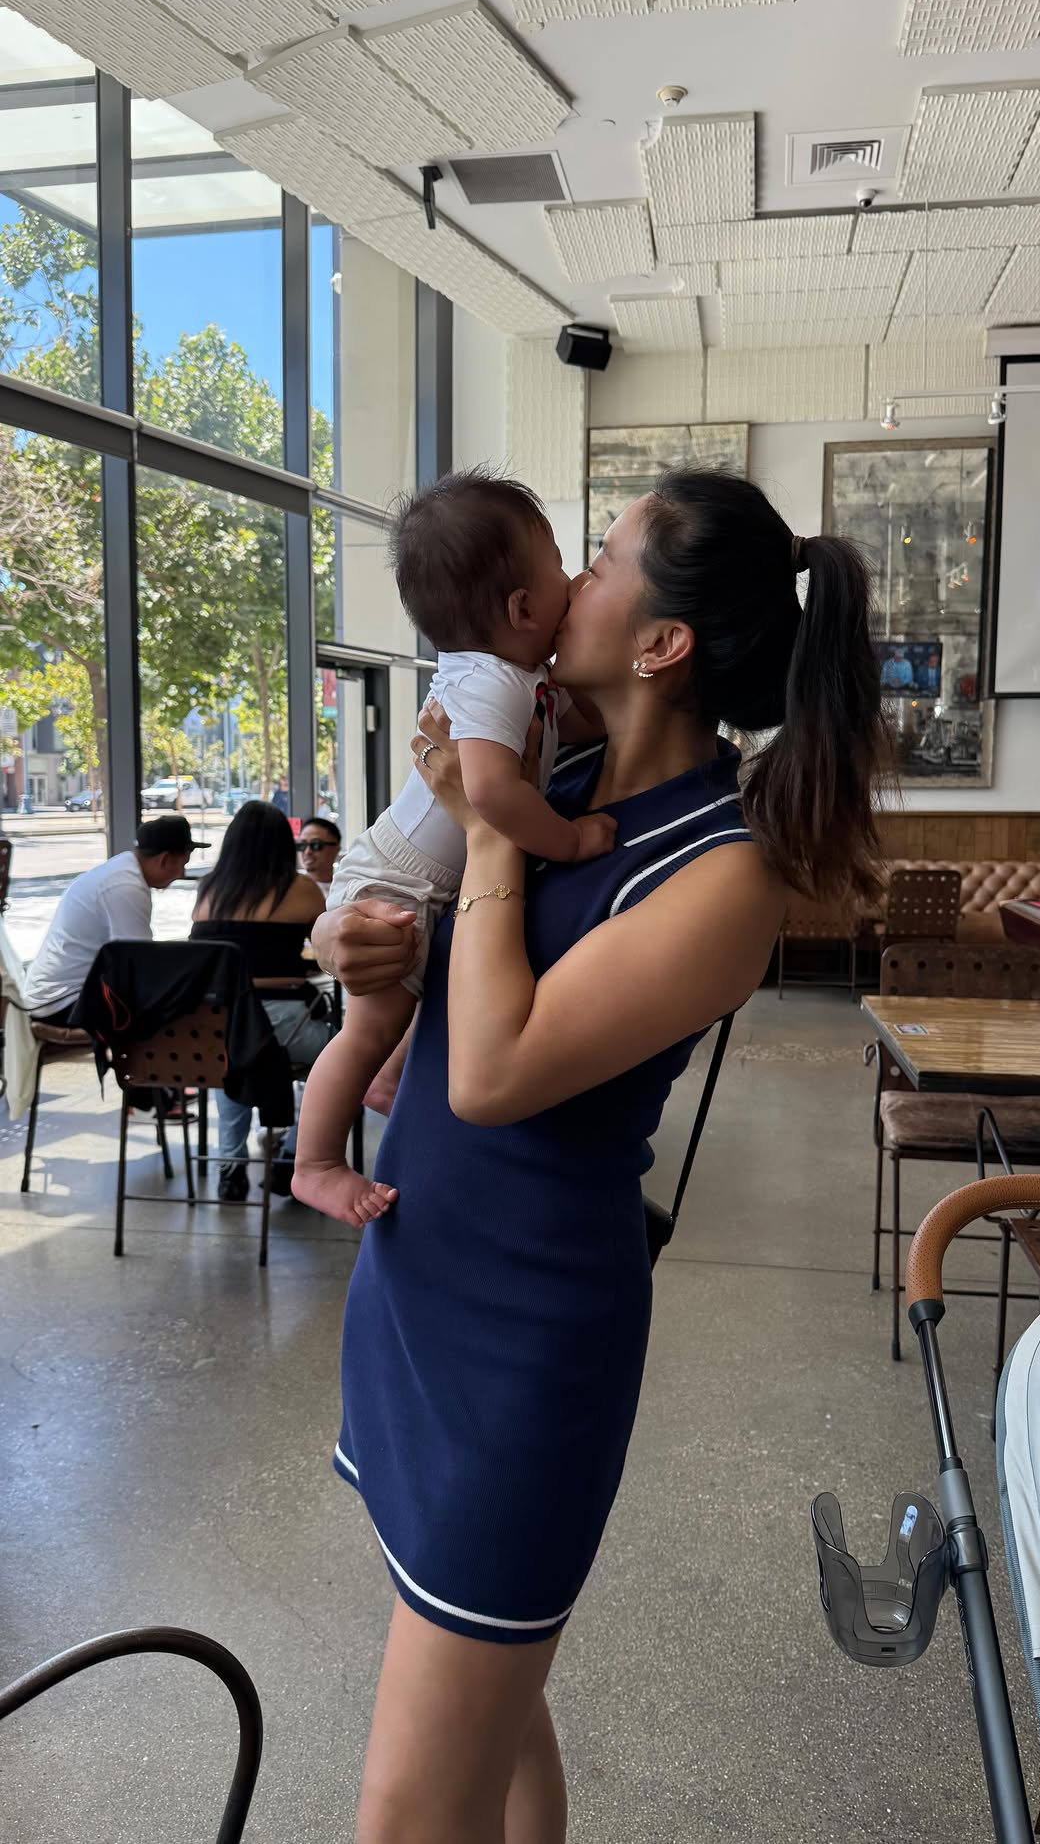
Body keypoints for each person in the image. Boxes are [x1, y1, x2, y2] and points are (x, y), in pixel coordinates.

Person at [310, 468, 886, 1843]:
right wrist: (353, 945)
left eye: (605, 557)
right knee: (502, 1727)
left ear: (662, 641)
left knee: (406, 1813)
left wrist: (486, 827)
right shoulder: (546, 776)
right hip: (415, 1287)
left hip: (523, 1347)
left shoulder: (724, 873)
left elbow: (498, 1069)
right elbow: (415, 955)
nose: (569, 579)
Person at [292, 471, 614, 1227]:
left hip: (431, 875)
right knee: (366, 1028)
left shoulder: (517, 678)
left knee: (416, 1002)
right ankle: (316, 1164)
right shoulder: (492, 685)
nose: (576, 580)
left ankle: (388, 1082)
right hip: (401, 878)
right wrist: (569, 840)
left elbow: (577, 727)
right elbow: (492, 795)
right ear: (523, 608)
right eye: (563, 565)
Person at [192, 800, 328, 1201]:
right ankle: (293, 1157)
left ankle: (231, 1169)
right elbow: (328, 954)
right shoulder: (301, 889)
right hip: (285, 1026)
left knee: (233, 1057)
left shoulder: (209, 889)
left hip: (216, 1027)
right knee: (347, 1060)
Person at [23, 815, 206, 1025]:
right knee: (182, 1009)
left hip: (53, 998)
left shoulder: (121, 871)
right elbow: (140, 964)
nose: (182, 874)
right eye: (183, 864)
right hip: (63, 1004)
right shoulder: (126, 887)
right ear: (164, 859)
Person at [296, 817, 341, 893]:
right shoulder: (288, 888)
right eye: (302, 845)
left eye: (316, 845)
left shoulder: (347, 891)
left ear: (336, 849)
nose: (307, 852)